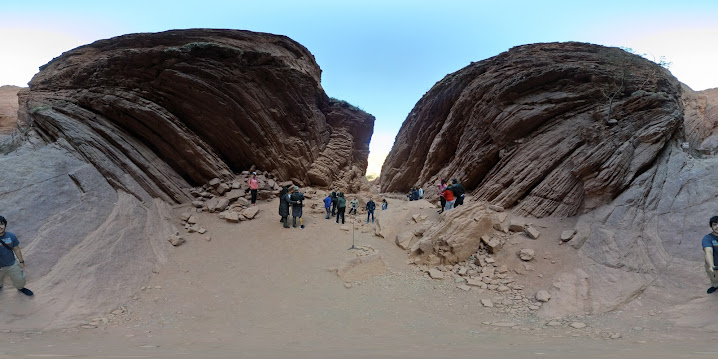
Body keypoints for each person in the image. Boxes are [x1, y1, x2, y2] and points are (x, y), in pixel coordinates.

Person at [0, 216, 34, 296]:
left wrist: (21, 261)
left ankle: (20, 288)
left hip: (11, 264)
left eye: (1, 224)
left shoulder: (11, 236)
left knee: (20, 279)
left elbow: (16, 249)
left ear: (5, 225)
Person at [702, 216, 718, 294]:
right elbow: (708, 251)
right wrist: (711, 266)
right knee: (714, 278)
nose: (717, 226)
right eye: (715, 224)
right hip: (714, 263)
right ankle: (715, 286)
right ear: (711, 226)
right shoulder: (707, 238)